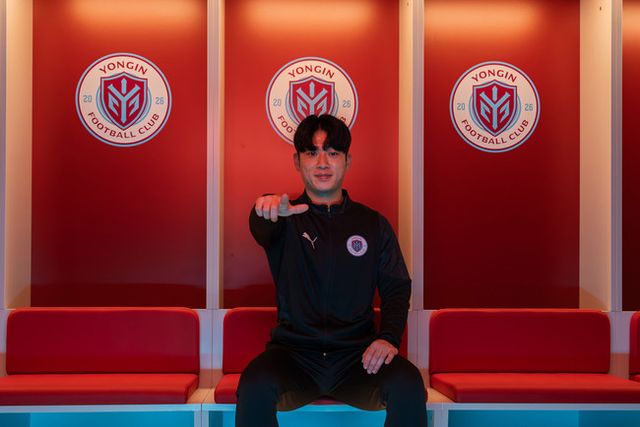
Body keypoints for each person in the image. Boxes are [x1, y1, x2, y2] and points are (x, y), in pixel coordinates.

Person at [236, 114, 427, 427]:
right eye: (312, 153)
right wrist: (264, 209)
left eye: (333, 152)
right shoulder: (284, 219)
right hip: (294, 355)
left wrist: (388, 338)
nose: (322, 162)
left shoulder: (373, 224)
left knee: (408, 384)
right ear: (297, 162)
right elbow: (261, 226)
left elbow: (396, 287)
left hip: (357, 357)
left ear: (347, 161)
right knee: (254, 384)